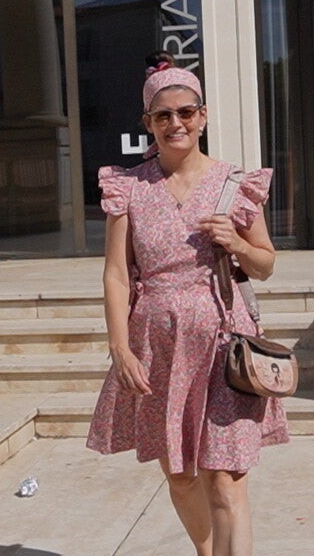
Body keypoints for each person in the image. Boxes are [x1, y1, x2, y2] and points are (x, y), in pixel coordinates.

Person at [86, 53, 288, 556]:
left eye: (186, 112)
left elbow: (265, 263)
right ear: (148, 123)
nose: (175, 123)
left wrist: (237, 244)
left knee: (226, 480)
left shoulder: (235, 185)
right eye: (163, 115)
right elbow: (116, 274)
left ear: (203, 116)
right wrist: (120, 348)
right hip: (157, 344)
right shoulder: (129, 188)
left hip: (224, 344)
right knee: (180, 477)